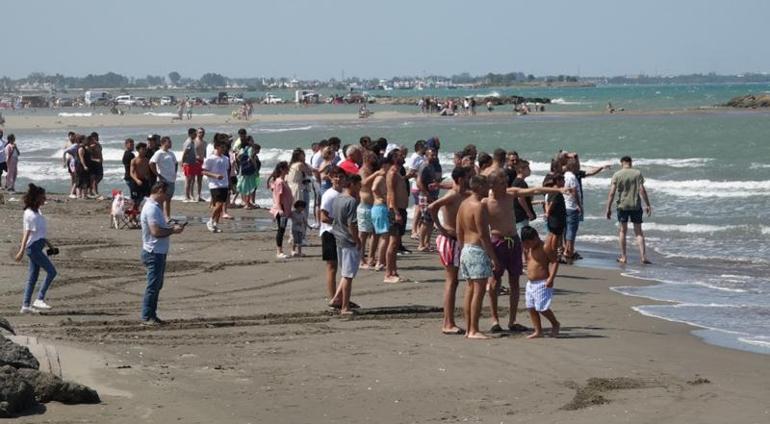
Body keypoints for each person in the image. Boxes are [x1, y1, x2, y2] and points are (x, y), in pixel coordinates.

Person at [484, 169, 565, 333]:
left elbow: (535, 190)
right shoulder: (485, 201)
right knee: (494, 282)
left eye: (505, 181)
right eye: (501, 182)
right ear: (492, 185)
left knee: (515, 282)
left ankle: (512, 321)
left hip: (513, 241)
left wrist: (558, 190)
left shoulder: (510, 193)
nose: (505, 184)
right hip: (497, 242)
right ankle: (494, 320)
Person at [456, 175, 500, 340]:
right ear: (480, 187)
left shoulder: (463, 204)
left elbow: (459, 231)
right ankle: (473, 329)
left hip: (466, 249)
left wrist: (462, 249)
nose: (488, 189)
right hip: (476, 250)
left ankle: (469, 328)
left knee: (470, 289)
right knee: (479, 291)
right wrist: (493, 257)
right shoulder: (478, 206)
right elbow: (483, 235)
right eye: (487, 186)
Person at [428, 166, 470, 334]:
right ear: (460, 179)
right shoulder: (453, 195)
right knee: (451, 281)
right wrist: (440, 227)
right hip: (449, 240)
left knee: (454, 281)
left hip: (457, 241)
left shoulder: (461, 193)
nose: (470, 180)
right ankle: (448, 323)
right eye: (468, 177)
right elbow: (432, 207)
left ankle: (449, 321)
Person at [140, 181, 185, 325]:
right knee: (153, 286)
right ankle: (147, 316)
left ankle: (151, 315)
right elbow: (156, 232)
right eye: (166, 193)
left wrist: (171, 227)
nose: (167, 196)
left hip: (157, 251)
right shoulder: (152, 208)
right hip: (154, 252)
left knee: (157, 285)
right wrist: (173, 230)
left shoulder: (155, 207)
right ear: (159, 191)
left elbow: (159, 228)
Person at [15, 184, 58, 313]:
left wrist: (50, 246)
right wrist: (21, 251)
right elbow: (26, 233)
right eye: (43, 197)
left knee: (33, 277)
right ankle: (39, 299)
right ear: (37, 198)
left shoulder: (37, 212)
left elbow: (40, 234)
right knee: (52, 272)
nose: (45, 199)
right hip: (33, 248)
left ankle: (25, 306)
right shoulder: (30, 215)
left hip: (38, 246)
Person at [604, 156, 652, 264]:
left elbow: (612, 193)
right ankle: (643, 257)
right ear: (631, 162)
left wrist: (608, 208)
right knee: (638, 232)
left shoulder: (617, 174)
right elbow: (642, 190)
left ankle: (624, 257)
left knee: (623, 231)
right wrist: (648, 204)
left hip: (622, 206)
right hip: (636, 205)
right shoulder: (637, 173)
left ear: (622, 163)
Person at [328, 174, 362, 315]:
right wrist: (357, 240)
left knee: (345, 272)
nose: (360, 188)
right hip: (348, 240)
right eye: (359, 185)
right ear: (352, 184)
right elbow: (352, 224)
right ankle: (345, 307)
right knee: (348, 275)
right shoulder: (351, 201)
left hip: (339, 238)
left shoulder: (337, 198)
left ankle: (336, 299)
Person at [520, 226, 561, 339]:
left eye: (530, 242)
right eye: (526, 243)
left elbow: (554, 262)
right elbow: (527, 260)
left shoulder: (545, 247)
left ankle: (555, 323)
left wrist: (551, 278)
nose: (528, 245)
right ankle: (538, 330)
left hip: (543, 282)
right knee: (531, 307)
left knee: (542, 308)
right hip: (530, 283)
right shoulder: (527, 248)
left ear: (536, 237)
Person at [319, 167, 344, 304]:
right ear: (330, 178)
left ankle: (339, 297)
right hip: (329, 233)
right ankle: (333, 297)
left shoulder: (343, 193)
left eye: (341, 176)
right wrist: (339, 222)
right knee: (332, 266)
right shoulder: (329, 194)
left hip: (340, 233)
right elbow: (323, 217)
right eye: (335, 176)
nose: (338, 179)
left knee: (342, 267)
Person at [384, 148, 409, 283]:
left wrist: (408, 177)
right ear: (394, 158)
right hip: (395, 210)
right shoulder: (392, 172)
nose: (403, 156)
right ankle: (388, 273)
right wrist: (396, 212)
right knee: (393, 243)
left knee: (396, 242)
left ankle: (394, 270)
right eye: (400, 155)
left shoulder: (398, 172)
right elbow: (391, 193)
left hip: (401, 209)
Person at [202, 138, 230, 233]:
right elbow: (203, 171)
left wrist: (229, 184)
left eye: (225, 147)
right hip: (214, 185)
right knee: (218, 205)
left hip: (225, 184)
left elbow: (226, 171)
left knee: (221, 206)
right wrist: (215, 175)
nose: (224, 149)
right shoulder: (210, 158)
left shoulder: (226, 158)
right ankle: (210, 221)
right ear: (217, 147)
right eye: (222, 147)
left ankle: (215, 224)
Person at [417, 147, 442, 251]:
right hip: (425, 196)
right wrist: (428, 195)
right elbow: (419, 182)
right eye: (432, 155)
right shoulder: (425, 166)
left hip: (433, 195)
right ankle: (421, 244)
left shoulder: (433, 166)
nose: (434, 156)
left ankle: (427, 243)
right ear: (426, 156)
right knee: (425, 220)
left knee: (431, 220)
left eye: (435, 154)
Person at [268, 161, 294, 259]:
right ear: (282, 169)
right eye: (287, 168)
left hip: (285, 208)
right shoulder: (279, 182)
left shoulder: (282, 181)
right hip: (281, 209)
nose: (288, 169)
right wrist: (280, 209)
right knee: (281, 230)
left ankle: (281, 250)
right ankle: (279, 251)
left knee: (282, 229)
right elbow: (278, 197)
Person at [149, 136, 178, 219]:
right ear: (163, 143)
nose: (171, 143)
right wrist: (158, 174)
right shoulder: (159, 153)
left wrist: (174, 173)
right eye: (169, 142)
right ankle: (160, 216)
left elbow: (175, 163)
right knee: (161, 199)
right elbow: (151, 163)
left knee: (168, 199)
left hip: (171, 179)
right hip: (163, 179)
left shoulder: (171, 153)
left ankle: (167, 217)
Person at [562, 158, 582, 264]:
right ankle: (568, 250)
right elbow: (574, 192)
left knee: (566, 229)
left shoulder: (564, 175)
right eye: (577, 166)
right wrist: (579, 205)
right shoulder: (572, 177)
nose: (579, 168)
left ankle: (567, 249)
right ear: (573, 167)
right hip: (571, 206)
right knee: (572, 229)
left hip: (565, 205)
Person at [237, 136, 260, 209]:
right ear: (249, 141)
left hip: (244, 169)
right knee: (250, 186)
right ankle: (248, 203)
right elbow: (251, 158)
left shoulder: (244, 148)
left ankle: (248, 202)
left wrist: (242, 163)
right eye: (252, 140)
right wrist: (255, 166)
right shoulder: (250, 149)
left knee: (246, 186)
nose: (253, 142)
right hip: (250, 170)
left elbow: (238, 157)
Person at [129, 143, 153, 208]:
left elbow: (148, 172)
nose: (144, 151)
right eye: (143, 149)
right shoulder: (134, 160)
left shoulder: (147, 160)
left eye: (145, 149)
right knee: (135, 201)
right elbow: (131, 173)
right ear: (138, 150)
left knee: (145, 199)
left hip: (145, 182)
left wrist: (148, 178)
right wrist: (137, 180)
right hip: (136, 182)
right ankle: (132, 216)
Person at [180, 128, 198, 202]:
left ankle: (191, 195)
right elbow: (185, 153)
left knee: (192, 180)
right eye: (195, 133)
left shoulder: (192, 142)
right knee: (188, 180)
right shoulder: (188, 142)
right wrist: (182, 162)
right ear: (190, 134)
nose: (196, 135)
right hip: (188, 164)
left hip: (192, 163)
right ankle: (186, 196)